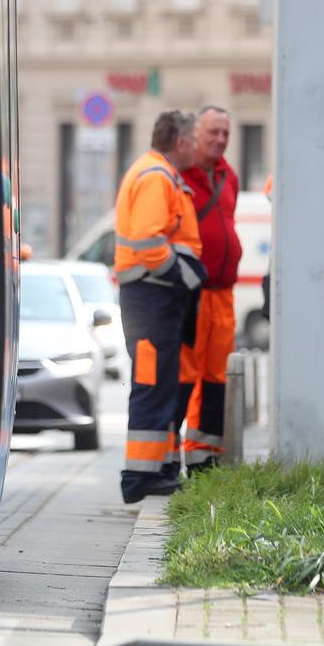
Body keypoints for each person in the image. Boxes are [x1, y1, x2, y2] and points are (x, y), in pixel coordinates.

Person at [115, 111, 205, 504]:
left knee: (163, 384)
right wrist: (184, 275)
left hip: (155, 298)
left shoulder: (159, 173)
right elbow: (148, 243)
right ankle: (139, 476)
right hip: (152, 297)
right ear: (181, 142)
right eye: (196, 138)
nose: (198, 146)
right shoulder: (155, 177)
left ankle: (160, 470)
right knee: (153, 385)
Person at [178, 106, 243, 472]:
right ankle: (180, 453)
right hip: (192, 293)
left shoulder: (227, 176)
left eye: (225, 134)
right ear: (195, 135)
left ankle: (206, 457)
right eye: (213, 133)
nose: (220, 140)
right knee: (186, 374)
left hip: (223, 294)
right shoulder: (180, 174)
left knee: (216, 376)